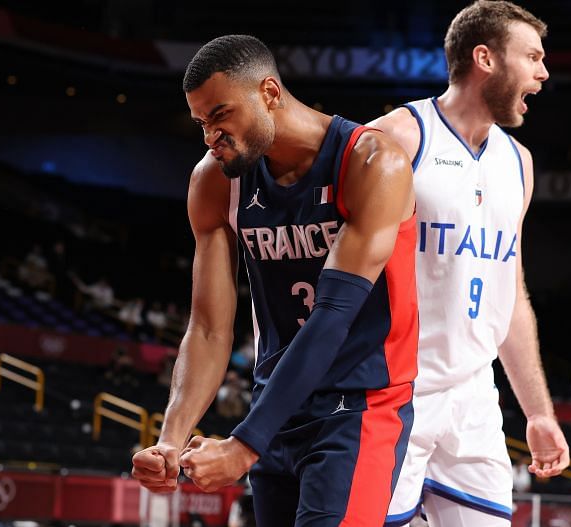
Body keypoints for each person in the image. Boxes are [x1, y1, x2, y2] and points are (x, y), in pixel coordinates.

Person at [131, 34, 419, 527]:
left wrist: (244, 445)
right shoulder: (214, 180)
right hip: (275, 408)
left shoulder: (372, 162)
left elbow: (332, 317)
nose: (209, 137)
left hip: (358, 406)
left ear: (268, 92)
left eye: (220, 116)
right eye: (202, 123)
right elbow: (207, 329)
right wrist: (171, 439)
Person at [367, 2, 570, 525]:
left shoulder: (518, 163)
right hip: (391, 394)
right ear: (485, 58)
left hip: (475, 400)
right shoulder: (399, 136)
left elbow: (511, 297)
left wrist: (539, 412)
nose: (543, 73)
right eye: (532, 57)